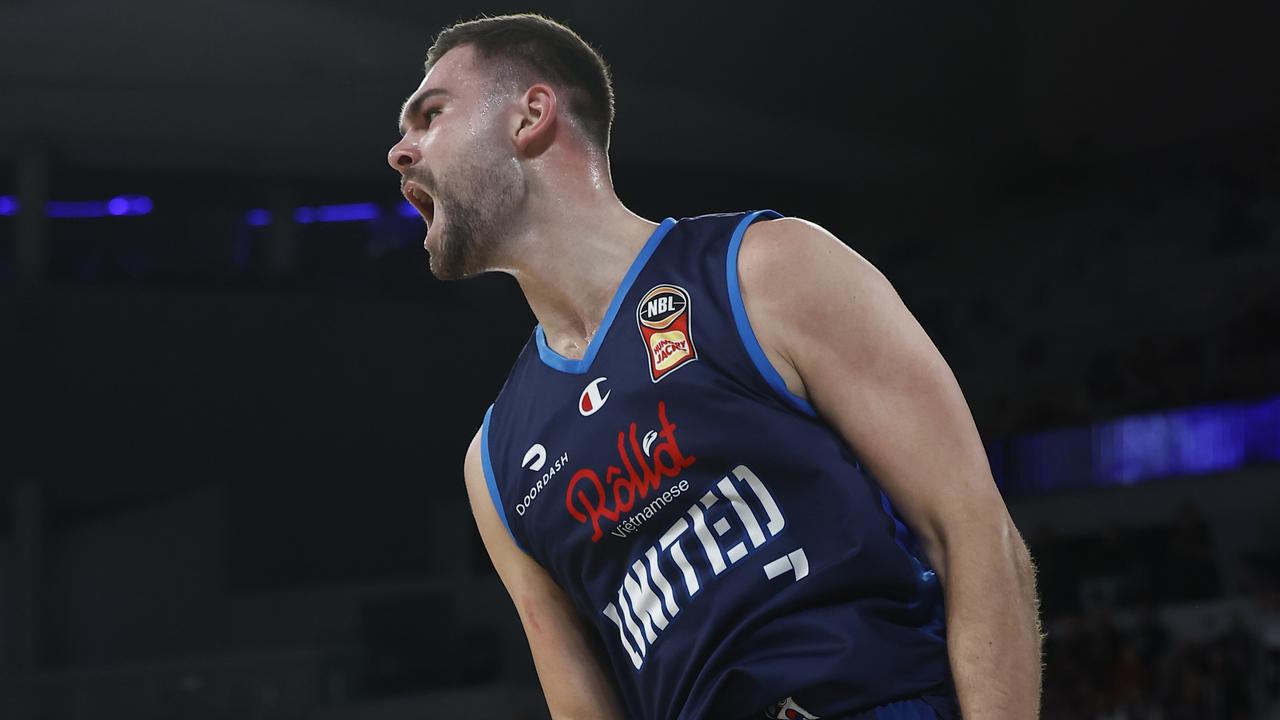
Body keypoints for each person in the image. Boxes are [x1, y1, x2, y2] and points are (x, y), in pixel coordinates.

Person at [386, 13, 1041, 720]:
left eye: (431, 115)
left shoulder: (770, 270)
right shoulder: (493, 465)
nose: (400, 151)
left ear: (530, 115)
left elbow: (974, 534)